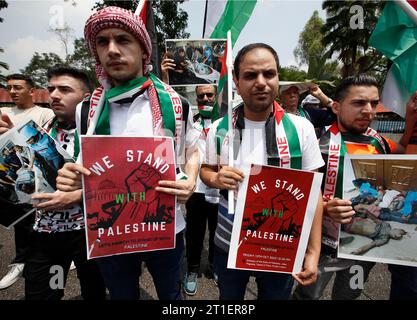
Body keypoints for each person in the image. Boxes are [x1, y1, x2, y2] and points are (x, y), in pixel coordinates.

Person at [54, 6, 199, 300]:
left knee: (171, 295)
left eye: (123, 40)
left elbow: (193, 150)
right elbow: (82, 166)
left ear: (143, 49)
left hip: (167, 228)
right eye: (102, 42)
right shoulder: (87, 109)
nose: (112, 50)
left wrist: (191, 180)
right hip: (110, 231)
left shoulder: (176, 104)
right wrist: (70, 177)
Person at [200, 43, 324, 300]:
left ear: (278, 77)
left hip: (282, 244)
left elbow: (314, 195)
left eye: (269, 74)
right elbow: (206, 171)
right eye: (250, 75)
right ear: (236, 80)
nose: (260, 82)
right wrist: (216, 178)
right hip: (228, 242)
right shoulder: (219, 129)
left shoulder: (301, 129)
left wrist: (312, 254)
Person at [292, 74, 417, 300]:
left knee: (349, 294)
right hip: (324, 247)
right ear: (337, 107)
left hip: (360, 255)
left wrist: (410, 117)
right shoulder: (317, 142)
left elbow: (399, 151)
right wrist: (326, 207)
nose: (368, 110)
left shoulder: (376, 139)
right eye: (359, 103)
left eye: (373, 102)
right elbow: (298, 191)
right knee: (307, 295)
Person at [1, 66, 106, 300]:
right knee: (48, 291)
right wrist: (8, 141)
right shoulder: (37, 133)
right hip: (46, 236)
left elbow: (116, 184)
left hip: (88, 237)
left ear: (86, 97)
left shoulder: (100, 135)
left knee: (94, 291)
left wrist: (77, 195)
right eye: (51, 89)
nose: (54, 95)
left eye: (64, 89)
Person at [0, 74, 54, 290]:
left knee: (43, 219)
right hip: (10, 176)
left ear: (32, 91)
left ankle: (53, 260)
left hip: (38, 177)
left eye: (18, 87)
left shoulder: (44, 113)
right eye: (10, 87)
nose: (13, 92)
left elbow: (48, 145)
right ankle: (20, 263)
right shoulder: (3, 112)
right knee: (19, 222)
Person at [183, 84, 219, 295]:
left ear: (216, 96)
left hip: (219, 188)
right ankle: (192, 269)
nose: (205, 98)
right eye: (201, 95)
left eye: (209, 94)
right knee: (195, 233)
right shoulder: (191, 124)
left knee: (217, 231)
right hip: (196, 188)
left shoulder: (226, 124)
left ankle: (215, 265)